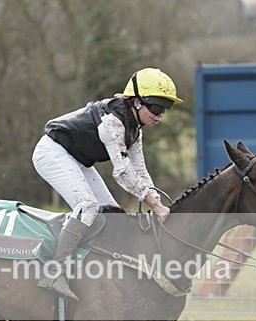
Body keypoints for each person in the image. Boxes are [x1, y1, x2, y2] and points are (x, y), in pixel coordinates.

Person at [31, 68, 182, 300]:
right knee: (88, 206)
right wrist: (155, 205)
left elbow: (140, 170)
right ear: (137, 102)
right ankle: (54, 272)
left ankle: (96, 269)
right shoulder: (112, 123)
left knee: (113, 215)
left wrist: (156, 199)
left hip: (77, 159)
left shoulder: (135, 129)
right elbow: (122, 172)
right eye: (156, 108)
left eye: (165, 110)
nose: (160, 116)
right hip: (52, 151)